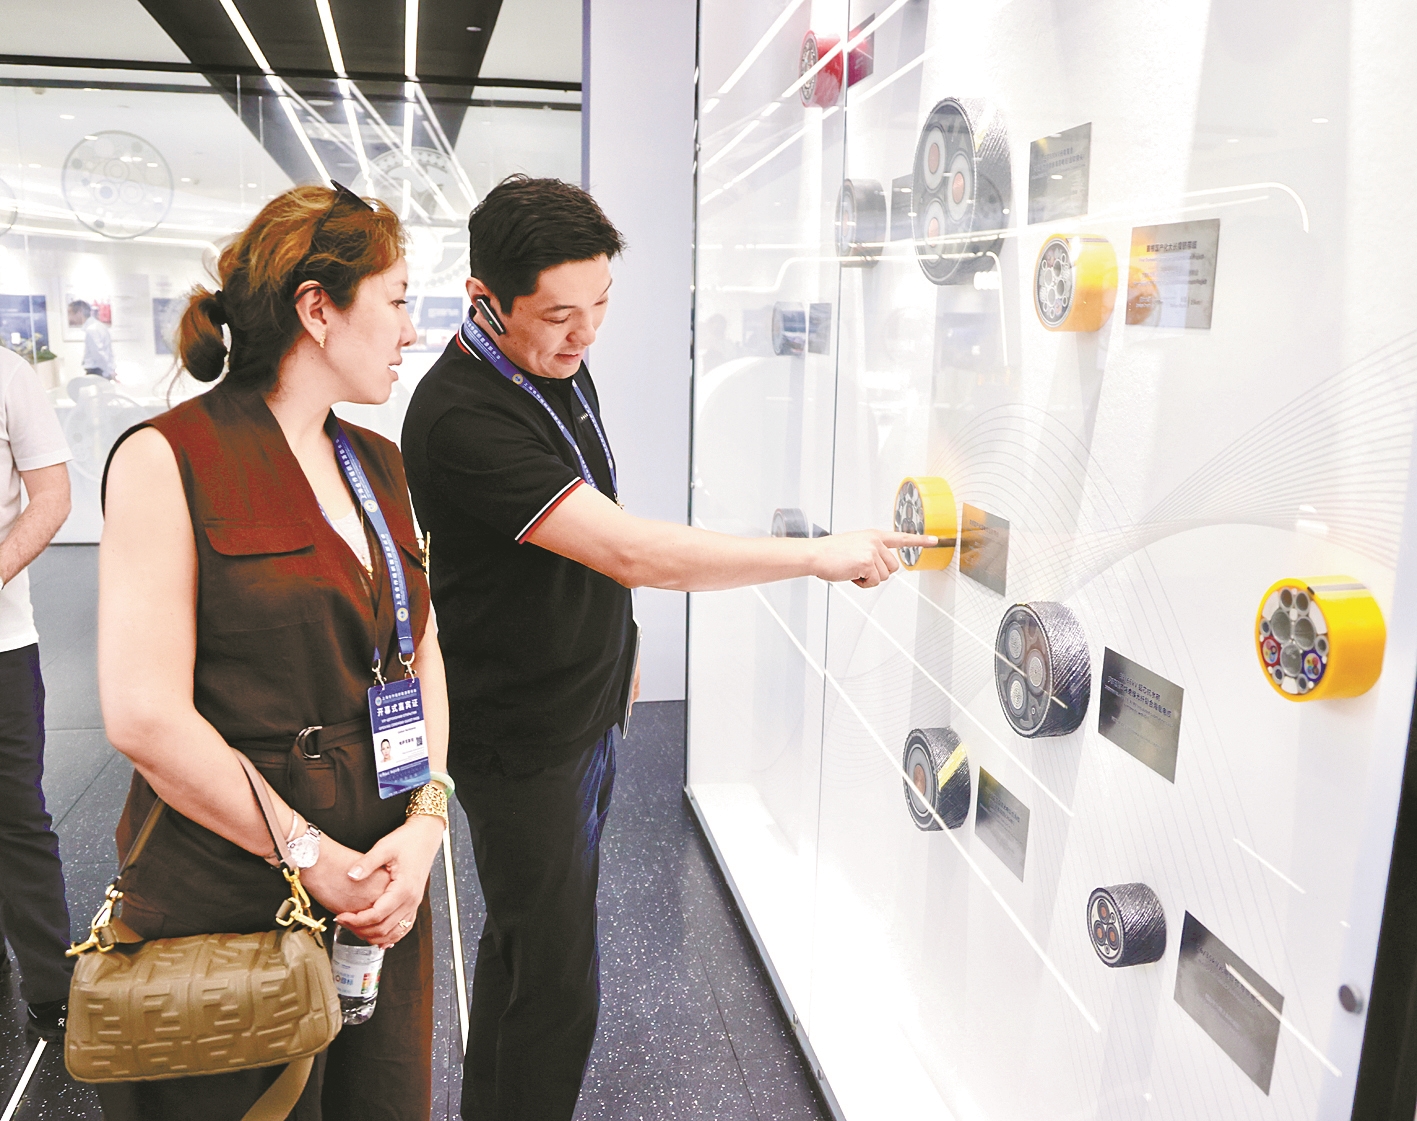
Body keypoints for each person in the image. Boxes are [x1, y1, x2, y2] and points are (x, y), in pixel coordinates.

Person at [400, 175, 932, 1121]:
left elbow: (592, 514)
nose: (585, 333)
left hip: (584, 700)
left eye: (600, 304)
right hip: (521, 732)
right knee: (555, 984)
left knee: (529, 948)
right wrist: (815, 555)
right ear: (485, 298)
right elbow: (632, 549)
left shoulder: (555, 364)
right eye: (558, 314)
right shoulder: (460, 416)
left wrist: (621, 635)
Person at [97, 183, 451, 1120]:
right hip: (232, 885)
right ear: (317, 309)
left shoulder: (379, 463)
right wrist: (309, 854)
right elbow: (143, 715)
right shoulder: (168, 458)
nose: (410, 330)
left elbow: (419, 651)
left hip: (378, 885)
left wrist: (424, 824)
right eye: (397, 300)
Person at [0, 344, 74, 1043]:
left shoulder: (8, 374)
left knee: (16, 818)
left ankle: (54, 991)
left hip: (2, 643)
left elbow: (51, 495)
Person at [67, 300, 116, 380]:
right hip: (101, 371)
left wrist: (109, 372)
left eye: (70, 313)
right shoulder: (99, 326)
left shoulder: (91, 330)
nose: (69, 318)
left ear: (79, 313)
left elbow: (98, 354)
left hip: (97, 372)